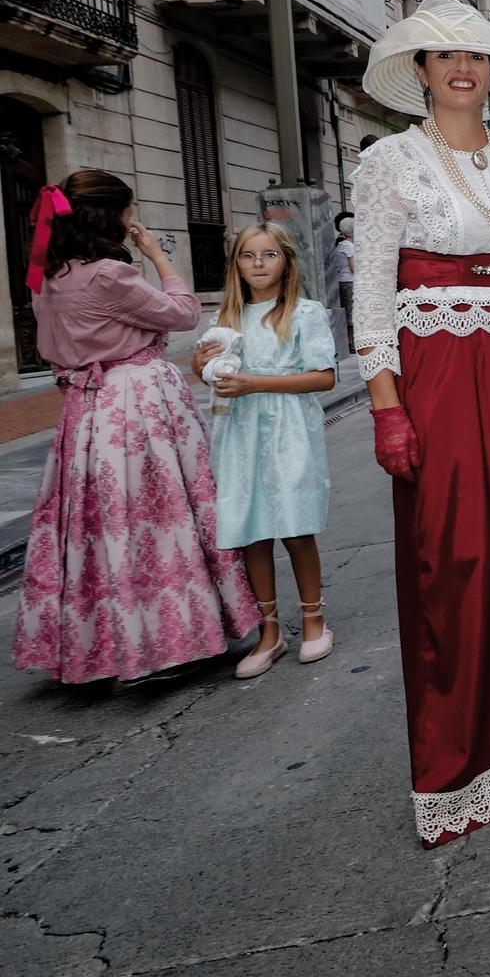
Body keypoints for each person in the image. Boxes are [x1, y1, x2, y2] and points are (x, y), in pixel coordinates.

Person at [354, 0, 490, 847]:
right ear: (418, 72)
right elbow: (368, 291)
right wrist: (386, 405)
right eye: (444, 56)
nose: (462, 68)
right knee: (451, 558)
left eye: (477, 57)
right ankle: (457, 764)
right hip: (437, 372)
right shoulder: (387, 163)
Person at [12, 170, 261, 686]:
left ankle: (111, 646)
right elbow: (184, 314)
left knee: (101, 528)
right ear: (111, 218)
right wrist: (160, 258)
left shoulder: (46, 278)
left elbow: (52, 347)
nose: (132, 220)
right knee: (161, 519)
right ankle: (171, 641)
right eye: (127, 211)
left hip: (84, 412)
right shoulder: (109, 275)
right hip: (137, 403)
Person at [194, 222, 338, 679]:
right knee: (250, 529)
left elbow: (324, 376)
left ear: (286, 261)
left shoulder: (303, 311)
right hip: (238, 431)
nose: (258, 264)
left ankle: (314, 618)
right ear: (236, 263)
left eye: (269, 255)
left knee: (295, 526)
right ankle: (269, 631)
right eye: (248, 256)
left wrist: (256, 382)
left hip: (288, 427)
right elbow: (215, 368)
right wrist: (204, 366)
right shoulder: (226, 317)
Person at [333, 212, 357, 350]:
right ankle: (352, 342)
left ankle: (350, 342)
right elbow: (354, 267)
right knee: (351, 313)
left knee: (348, 312)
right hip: (350, 281)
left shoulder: (341, 244)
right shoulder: (349, 246)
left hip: (343, 280)